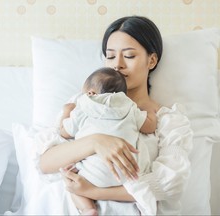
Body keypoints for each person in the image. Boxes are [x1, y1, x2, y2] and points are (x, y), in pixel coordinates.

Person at [37, 15, 193, 215]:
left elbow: (169, 183)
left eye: (128, 56)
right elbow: (45, 163)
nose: (117, 64)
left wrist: (94, 191)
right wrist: (96, 142)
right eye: (110, 56)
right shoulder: (84, 102)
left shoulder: (168, 120)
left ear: (151, 60)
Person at [58, 67, 157, 215]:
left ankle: (88, 209)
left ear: (90, 93)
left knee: (70, 179)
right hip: (127, 174)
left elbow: (64, 132)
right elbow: (149, 127)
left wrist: (67, 111)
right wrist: (150, 113)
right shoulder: (129, 106)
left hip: (93, 175)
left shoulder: (83, 106)